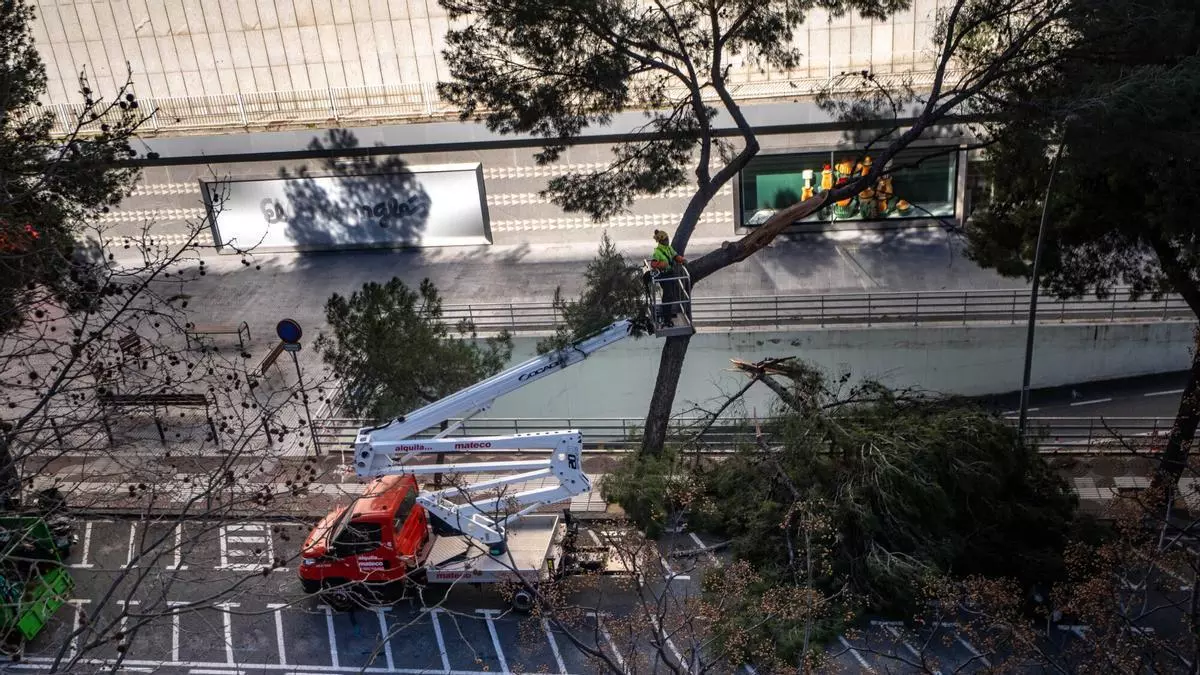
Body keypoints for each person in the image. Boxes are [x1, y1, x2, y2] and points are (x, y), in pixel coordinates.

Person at [646, 230, 688, 327]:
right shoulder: (657, 252)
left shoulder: (669, 248)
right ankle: (667, 319)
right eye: (666, 240)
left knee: (671, 296)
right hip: (664, 276)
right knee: (667, 297)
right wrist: (662, 264)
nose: (668, 241)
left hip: (671, 274)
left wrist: (682, 260)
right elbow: (653, 264)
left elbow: (675, 256)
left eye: (668, 239)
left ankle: (668, 315)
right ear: (661, 241)